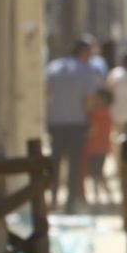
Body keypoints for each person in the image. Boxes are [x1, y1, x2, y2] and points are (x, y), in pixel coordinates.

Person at [44, 37, 102, 212]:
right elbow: (88, 100)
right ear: (83, 52)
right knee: (74, 164)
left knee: (55, 162)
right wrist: (90, 120)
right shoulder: (86, 72)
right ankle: (70, 203)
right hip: (77, 123)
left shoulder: (54, 67)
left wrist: (47, 117)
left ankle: (53, 199)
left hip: (56, 121)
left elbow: (46, 95)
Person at [85, 87, 114, 205]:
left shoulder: (96, 114)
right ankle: (107, 197)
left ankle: (98, 198)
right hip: (103, 147)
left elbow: (92, 131)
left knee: (96, 174)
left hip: (95, 147)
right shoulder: (108, 113)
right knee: (99, 173)